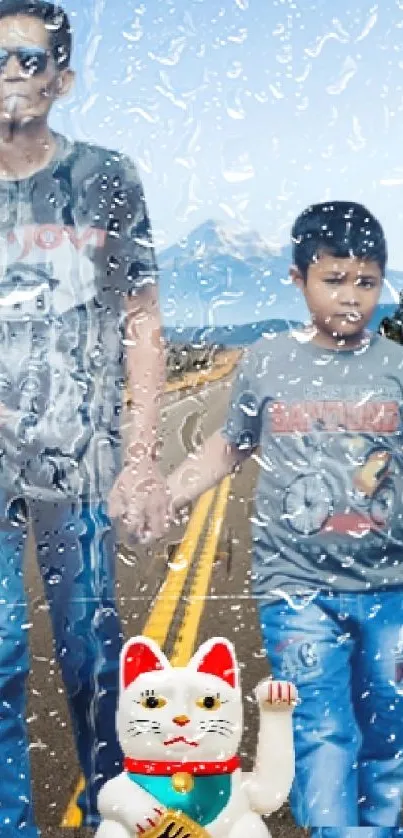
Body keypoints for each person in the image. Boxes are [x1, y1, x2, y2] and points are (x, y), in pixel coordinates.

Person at [155, 201, 403, 837]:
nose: (352, 298)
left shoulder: (396, 369)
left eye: (367, 281)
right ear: (298, 278)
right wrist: (169, 495)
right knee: (321, 726)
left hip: (392, 590)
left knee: (391, 729)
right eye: (335, 279)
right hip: (294, 589)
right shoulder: (266, 361)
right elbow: (228, 446)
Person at [0, 0, 168, 834]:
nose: (7, 74)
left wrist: (140, 457)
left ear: (62, 79)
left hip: (80, 456)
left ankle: (120, 814)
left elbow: (141, 319)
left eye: (27, 58)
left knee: (93, 657)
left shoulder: (105, 175)